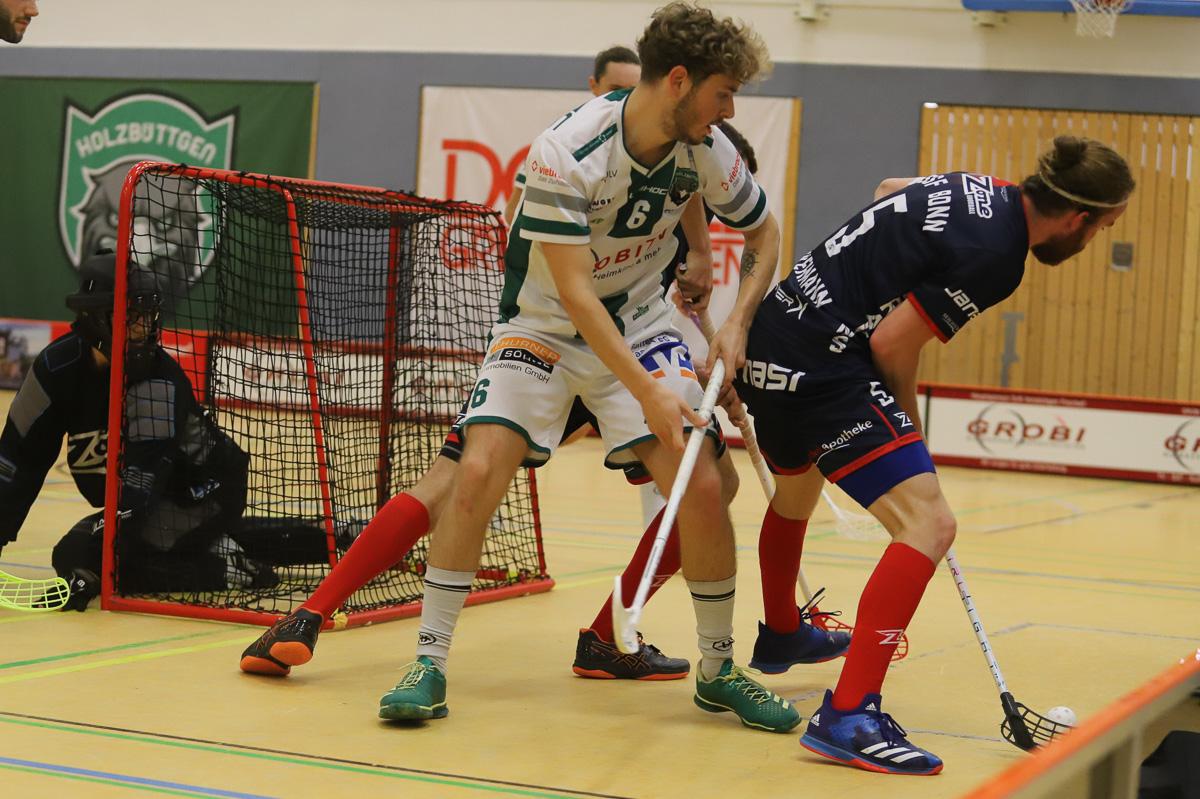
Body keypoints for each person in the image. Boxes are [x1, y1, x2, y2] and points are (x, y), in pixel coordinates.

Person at [368, 0, 819, 733]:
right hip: (545, 326)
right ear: (679, 81)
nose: (730, 110)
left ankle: (717, 671)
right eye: (723, 92)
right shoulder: (565, 151)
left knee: (704, 483)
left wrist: (738, 321)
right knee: (477, 470)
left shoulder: (705, 148)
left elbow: (765, 234)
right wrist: (648, 393)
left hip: (639, 322)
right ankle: (428, 662)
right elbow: (576, 295)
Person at [238, 125, 785, 684]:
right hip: (572, 349)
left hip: (586, 350)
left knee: (448, 483)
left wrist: (701, 373)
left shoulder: (658, 194)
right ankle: (605, 637)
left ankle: (307, 617)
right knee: (702, 485)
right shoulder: (608, 163)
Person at [735, 135, 1134, 773]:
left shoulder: (977, 186)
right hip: (821, 364)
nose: (1093, 243)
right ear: (1079, 219)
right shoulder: (997, 255)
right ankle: (850, 714)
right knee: (929, 522)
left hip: (774, 336)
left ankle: (783, 630)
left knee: (796, 488)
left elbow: (889, 191)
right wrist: (909, 433)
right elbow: (893, 344)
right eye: (1102, 229)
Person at [0, 252, 276, 610]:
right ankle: (308, 537)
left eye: (149, 316)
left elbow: (139, 488)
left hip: (206, 492)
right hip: (159, 498)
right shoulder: (54, 368)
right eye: (133, 316)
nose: (144, 327)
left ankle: (227, 569)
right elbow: (15, 460)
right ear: (96, 315)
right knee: (87, 551)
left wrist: (89, 569)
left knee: (79, 554)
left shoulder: (158, 381)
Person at [503, 46, 644, 227]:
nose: (622, 97)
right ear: (593, 85)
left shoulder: (651, 141)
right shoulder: (564, 139)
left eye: (631, 90)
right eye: (615, 89)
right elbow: (513, 211)